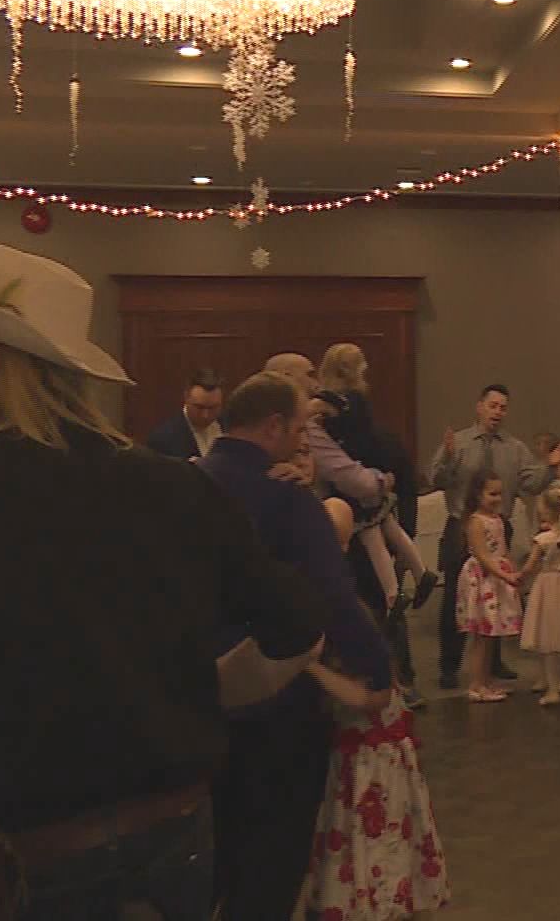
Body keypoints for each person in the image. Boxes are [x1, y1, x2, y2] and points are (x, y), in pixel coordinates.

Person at [0, 244, 323, 919]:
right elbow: (296, 624)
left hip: (30, 856)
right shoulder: (173, 484)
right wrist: (199, 689)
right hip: (177, 835)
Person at [200, 371, 392, 921]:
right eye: (300, 429)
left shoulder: (186, 481)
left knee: (215, 852)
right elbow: (331, 596)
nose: (304, 441)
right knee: (271, 858)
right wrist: (378, 672)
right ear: (273, 425)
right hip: (276, 697)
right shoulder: (286, 497)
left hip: (197, 700)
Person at [303, 625, 449, 919]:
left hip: (376, 771)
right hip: (360, 769)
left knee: (380, 842)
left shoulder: (370, 667)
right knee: (363, 839)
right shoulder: (358, 662)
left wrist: (308, 666)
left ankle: (381, 901)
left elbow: (366, 699)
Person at [426, 383, 560, 690]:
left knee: (497, 596)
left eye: (503, 407)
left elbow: (531, 483)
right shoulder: (459, 442)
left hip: (498, 528)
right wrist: (447, 458)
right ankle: (450, 666)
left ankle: (493, 663)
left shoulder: (514, 448)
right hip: (461, 526)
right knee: (455, 597)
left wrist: (550, 468)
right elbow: (436, 479)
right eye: (493, 405)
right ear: (479, 406)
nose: (498, 412)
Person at [313, 343, 427, 612]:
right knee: (385, 528)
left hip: (358, 484)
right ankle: (417, 575)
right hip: (369, 475)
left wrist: (307, 409)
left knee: (371, 534)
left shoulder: (339, 404)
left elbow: (323, 408)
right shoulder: (361, 406)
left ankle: (394, 594)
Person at [458, 473, 525, 702]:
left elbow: (502, 550)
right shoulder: (476, 521)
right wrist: (505, 576)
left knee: (490, 636)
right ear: (478, 495)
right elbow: (483, 556)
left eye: (500, 494)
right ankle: (476, 685)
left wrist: (512, 571)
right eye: (492, 494)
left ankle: (485, 680)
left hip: (497, 577)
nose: (497, 498)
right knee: (481, 636)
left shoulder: (497, 519)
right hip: (484, 578)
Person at [521, 491, 560, 706]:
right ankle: (557, 679)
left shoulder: (542, 540)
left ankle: (552, 687)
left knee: (547, 634)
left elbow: (530, 565)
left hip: (547, 586)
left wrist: (518, 576)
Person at [145, 367, 225, 459]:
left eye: (213, 408)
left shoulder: (230, 427)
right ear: (186, 397)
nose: (205, 415)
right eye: (199, 407)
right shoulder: (162, 440)